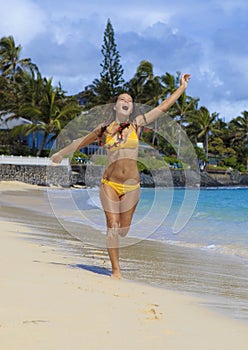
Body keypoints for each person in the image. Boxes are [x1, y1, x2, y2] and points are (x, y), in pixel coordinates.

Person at [51, 73, 191, 279]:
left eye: (129, 100)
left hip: (132, 186)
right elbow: (80, 142)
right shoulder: (104, 129)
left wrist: (182, 87)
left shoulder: (137, 125)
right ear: (116, 107)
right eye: (122, 99)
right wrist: (60, 154)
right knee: (113, 226)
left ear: (132, 108)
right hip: (109, 183)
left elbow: (163, 107)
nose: (126, 101)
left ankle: (119, 249)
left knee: (124, 230)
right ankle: (116, 270)